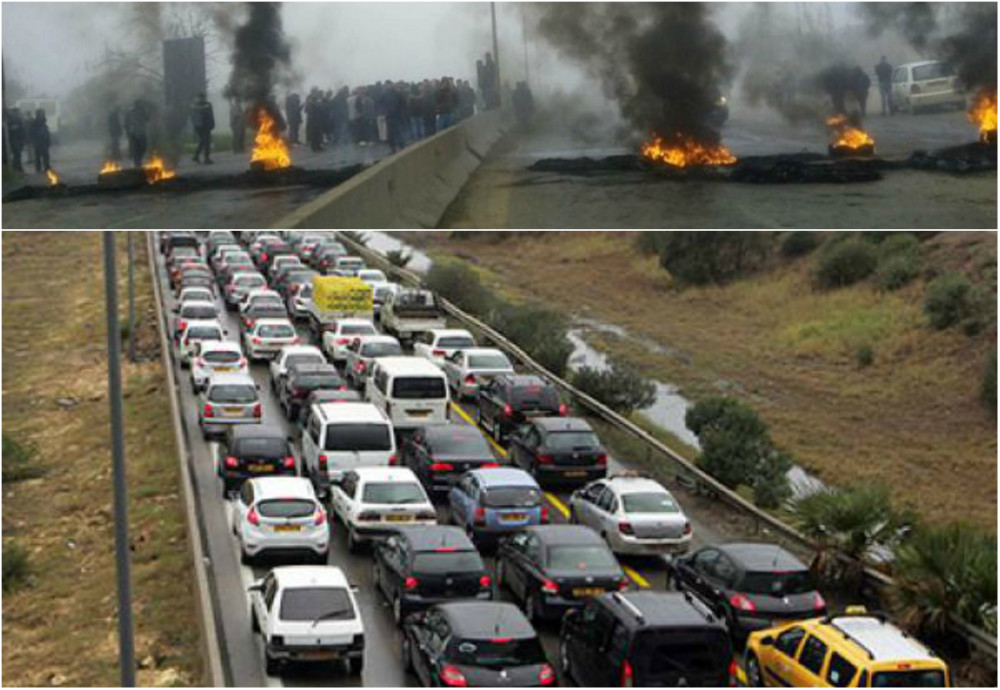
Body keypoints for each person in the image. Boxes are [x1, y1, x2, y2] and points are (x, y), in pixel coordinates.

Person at [190, 92, 215, 164]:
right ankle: (205, 158)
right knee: (205, 141)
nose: (201, 99)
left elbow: (211, 115)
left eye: (202, 97)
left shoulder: (206, 105)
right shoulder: (196, 106)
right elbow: (193, 116)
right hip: (200, 126)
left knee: (204, 141)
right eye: (200, 97)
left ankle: (197, 156)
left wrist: (212, 124)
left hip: (206, 126)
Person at [124, 99, 149, 168]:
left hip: (141, 132)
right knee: (137, 149)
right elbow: (126, 123)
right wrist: (128, 132)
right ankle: (137, 163)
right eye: (139, 104)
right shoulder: (130, 112)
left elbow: (147, 119)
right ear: (136, 105)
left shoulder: (142, 111)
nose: (140, 106)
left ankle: (138, 161)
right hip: (135, 133)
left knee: (142, 148)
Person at [29, 109, 51, 173]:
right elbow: (31, 132)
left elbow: (46, 132)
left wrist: (48, 140)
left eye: (43, 113)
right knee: (38, 155)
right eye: (41, 113)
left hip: (44, 140)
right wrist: (33, 141)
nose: (42, 115)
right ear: (38, 114)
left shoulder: (44, 121)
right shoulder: (34, 122)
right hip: (38, 141)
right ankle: (38, 168)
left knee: (46, 155)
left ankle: (47, 167)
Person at [6, 107, 26, 172]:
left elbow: (23, 129)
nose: (18, 114)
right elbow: (9, 129)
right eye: (16, 112)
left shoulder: (19, 120)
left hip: (20, 138)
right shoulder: (10, 120)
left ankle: (17, 167)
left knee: (18, 154)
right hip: (14, 139)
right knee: (17, 153)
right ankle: (17, 168)